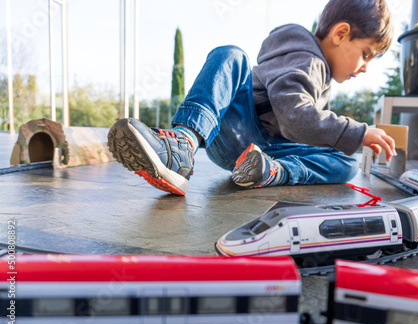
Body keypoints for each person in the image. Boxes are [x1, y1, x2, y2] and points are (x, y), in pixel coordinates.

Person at [108, 0, 396, 196]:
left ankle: (269, 170)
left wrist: (344, 139)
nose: (365, 67)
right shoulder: (307, 57)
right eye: (366, 54)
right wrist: (359, 132)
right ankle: (184, 142)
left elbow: (306, 130)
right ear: (341, 33)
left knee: (346, 162)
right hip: (240, 129)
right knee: (231, 56)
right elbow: (295, 117)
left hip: (260, 150)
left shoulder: (321, 76)